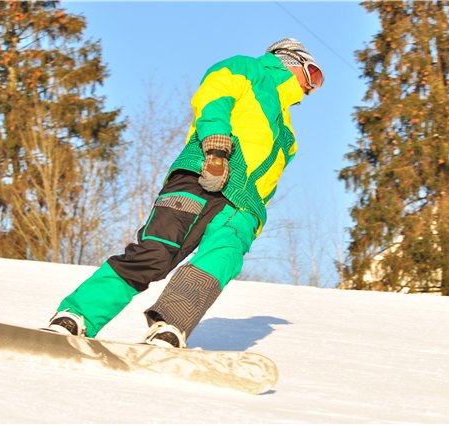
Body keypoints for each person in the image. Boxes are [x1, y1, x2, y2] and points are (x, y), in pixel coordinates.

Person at [47, 38, 324, 348]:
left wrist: (254, 221)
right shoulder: (246, 69)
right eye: (313, 75)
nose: (312, 87)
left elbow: (269, 184)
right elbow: (214, 98)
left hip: (243, 206)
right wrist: (216, 147)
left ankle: (170, 327)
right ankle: (77, 314)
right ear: (289, 60)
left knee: (220, 260)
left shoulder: (288, 134)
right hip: (204, 173)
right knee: (156, 251)